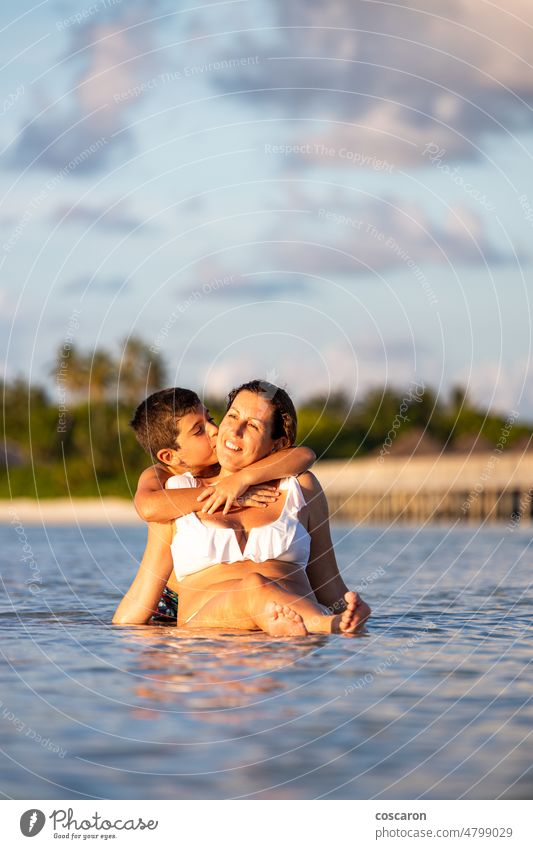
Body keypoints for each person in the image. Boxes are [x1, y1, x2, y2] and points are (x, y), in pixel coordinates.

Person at [113, 381, 371, 636]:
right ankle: (320, 625)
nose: (232, 431)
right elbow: (141, 596)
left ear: (278, 444)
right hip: (208, 629)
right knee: (254, 586)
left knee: (260, 589)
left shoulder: (301, 487)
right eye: (232, 416)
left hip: (295, 613)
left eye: (253, 425)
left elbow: (329, 584)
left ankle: (289, 624)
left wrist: (352, 612)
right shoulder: (174, 492)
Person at [124, 386, 316, 622]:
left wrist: (241, 480)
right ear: (170, 456)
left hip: (242, 596)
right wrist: (223, 493)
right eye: (199, 430)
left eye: (211, 419)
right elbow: (148, 506)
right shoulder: (162, 475)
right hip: (173, 602)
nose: (215, 430)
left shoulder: (235, 467)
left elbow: (304, 455)